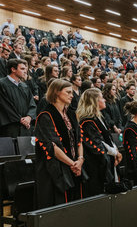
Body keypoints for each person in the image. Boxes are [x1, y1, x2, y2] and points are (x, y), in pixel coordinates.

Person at [35, 79, 84, 209]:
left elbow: (79, 139)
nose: (71, 95)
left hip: (74, 165)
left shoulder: (71, 114)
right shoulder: (46, 115)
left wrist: (80, 159)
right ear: (56, 93)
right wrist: (72, 164)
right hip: (56, 168)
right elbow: (52, 147)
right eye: (67, 92)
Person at [77, 88, 122, 197]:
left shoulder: (98, 117)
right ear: (94, 101)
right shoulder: (87, 121)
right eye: (102, 98)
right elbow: (97, 143)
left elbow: (108, 137)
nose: (104, 100)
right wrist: (115, 153)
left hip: (108, 159)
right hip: (96, 164)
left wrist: (115, 150)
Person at [0, 59, 36, 137]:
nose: (25, 71)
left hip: (25, 127)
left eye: (25, 69)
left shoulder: (25, 86)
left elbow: (32, 104)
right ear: (13, 69)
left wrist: (29, 117)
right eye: (22, 69)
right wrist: (20, 119)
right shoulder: (2, 84)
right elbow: (5, 105)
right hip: (9, 127)